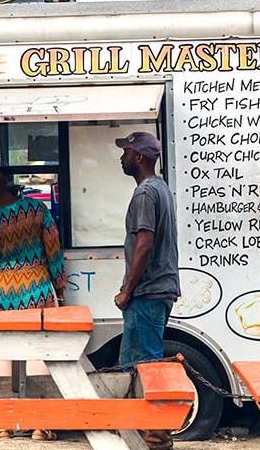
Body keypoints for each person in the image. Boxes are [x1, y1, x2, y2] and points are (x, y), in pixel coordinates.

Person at [0, 162, 67, 441]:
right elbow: (54, 254)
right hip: (36, 290)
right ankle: (39, 425)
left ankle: (3, 426)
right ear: (5, 181)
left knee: (1, 354)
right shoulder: (38, 211)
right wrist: (60, 293)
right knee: (38, 353)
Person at [113, 132, 180, 450]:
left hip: (148, 292)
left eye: (126, 152)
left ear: (139, 157)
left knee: (147, 367)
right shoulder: (161, 188)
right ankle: (139, 434)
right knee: (131, 365)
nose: (122, 157)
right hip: (158, 290)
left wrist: (127, 290)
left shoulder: (144, 194)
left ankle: (157, 440)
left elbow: (145, 243)